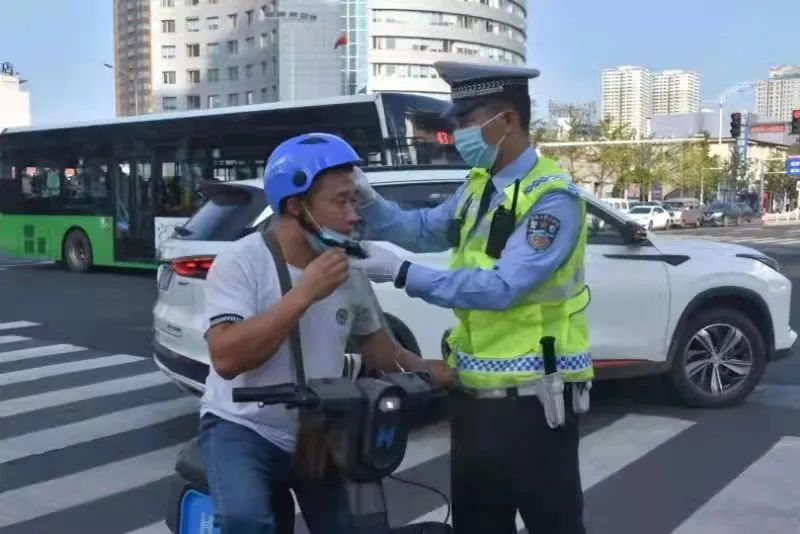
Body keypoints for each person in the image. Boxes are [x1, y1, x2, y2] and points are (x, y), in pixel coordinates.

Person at [351, 61, 593, 534]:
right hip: (472, 398)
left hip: (534, 405)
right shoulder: (479, 185)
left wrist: (402, 272)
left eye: (466, 122)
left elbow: (504, 287)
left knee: (554, 524)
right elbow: (424, 230)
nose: (457, 133)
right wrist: (368, 202)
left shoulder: (552, 199)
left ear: (506, 120)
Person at [198, 132, 454, 534]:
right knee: (245, 519)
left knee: (353, 525)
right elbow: (227, 359)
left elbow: (388, 355)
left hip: (317, 427)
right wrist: (305, 293)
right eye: (341, 201)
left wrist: (447, 373)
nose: (354, 215)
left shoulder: (348, 270)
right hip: (243, 426)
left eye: (354, 200)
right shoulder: (241, 262)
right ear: (296, 206)